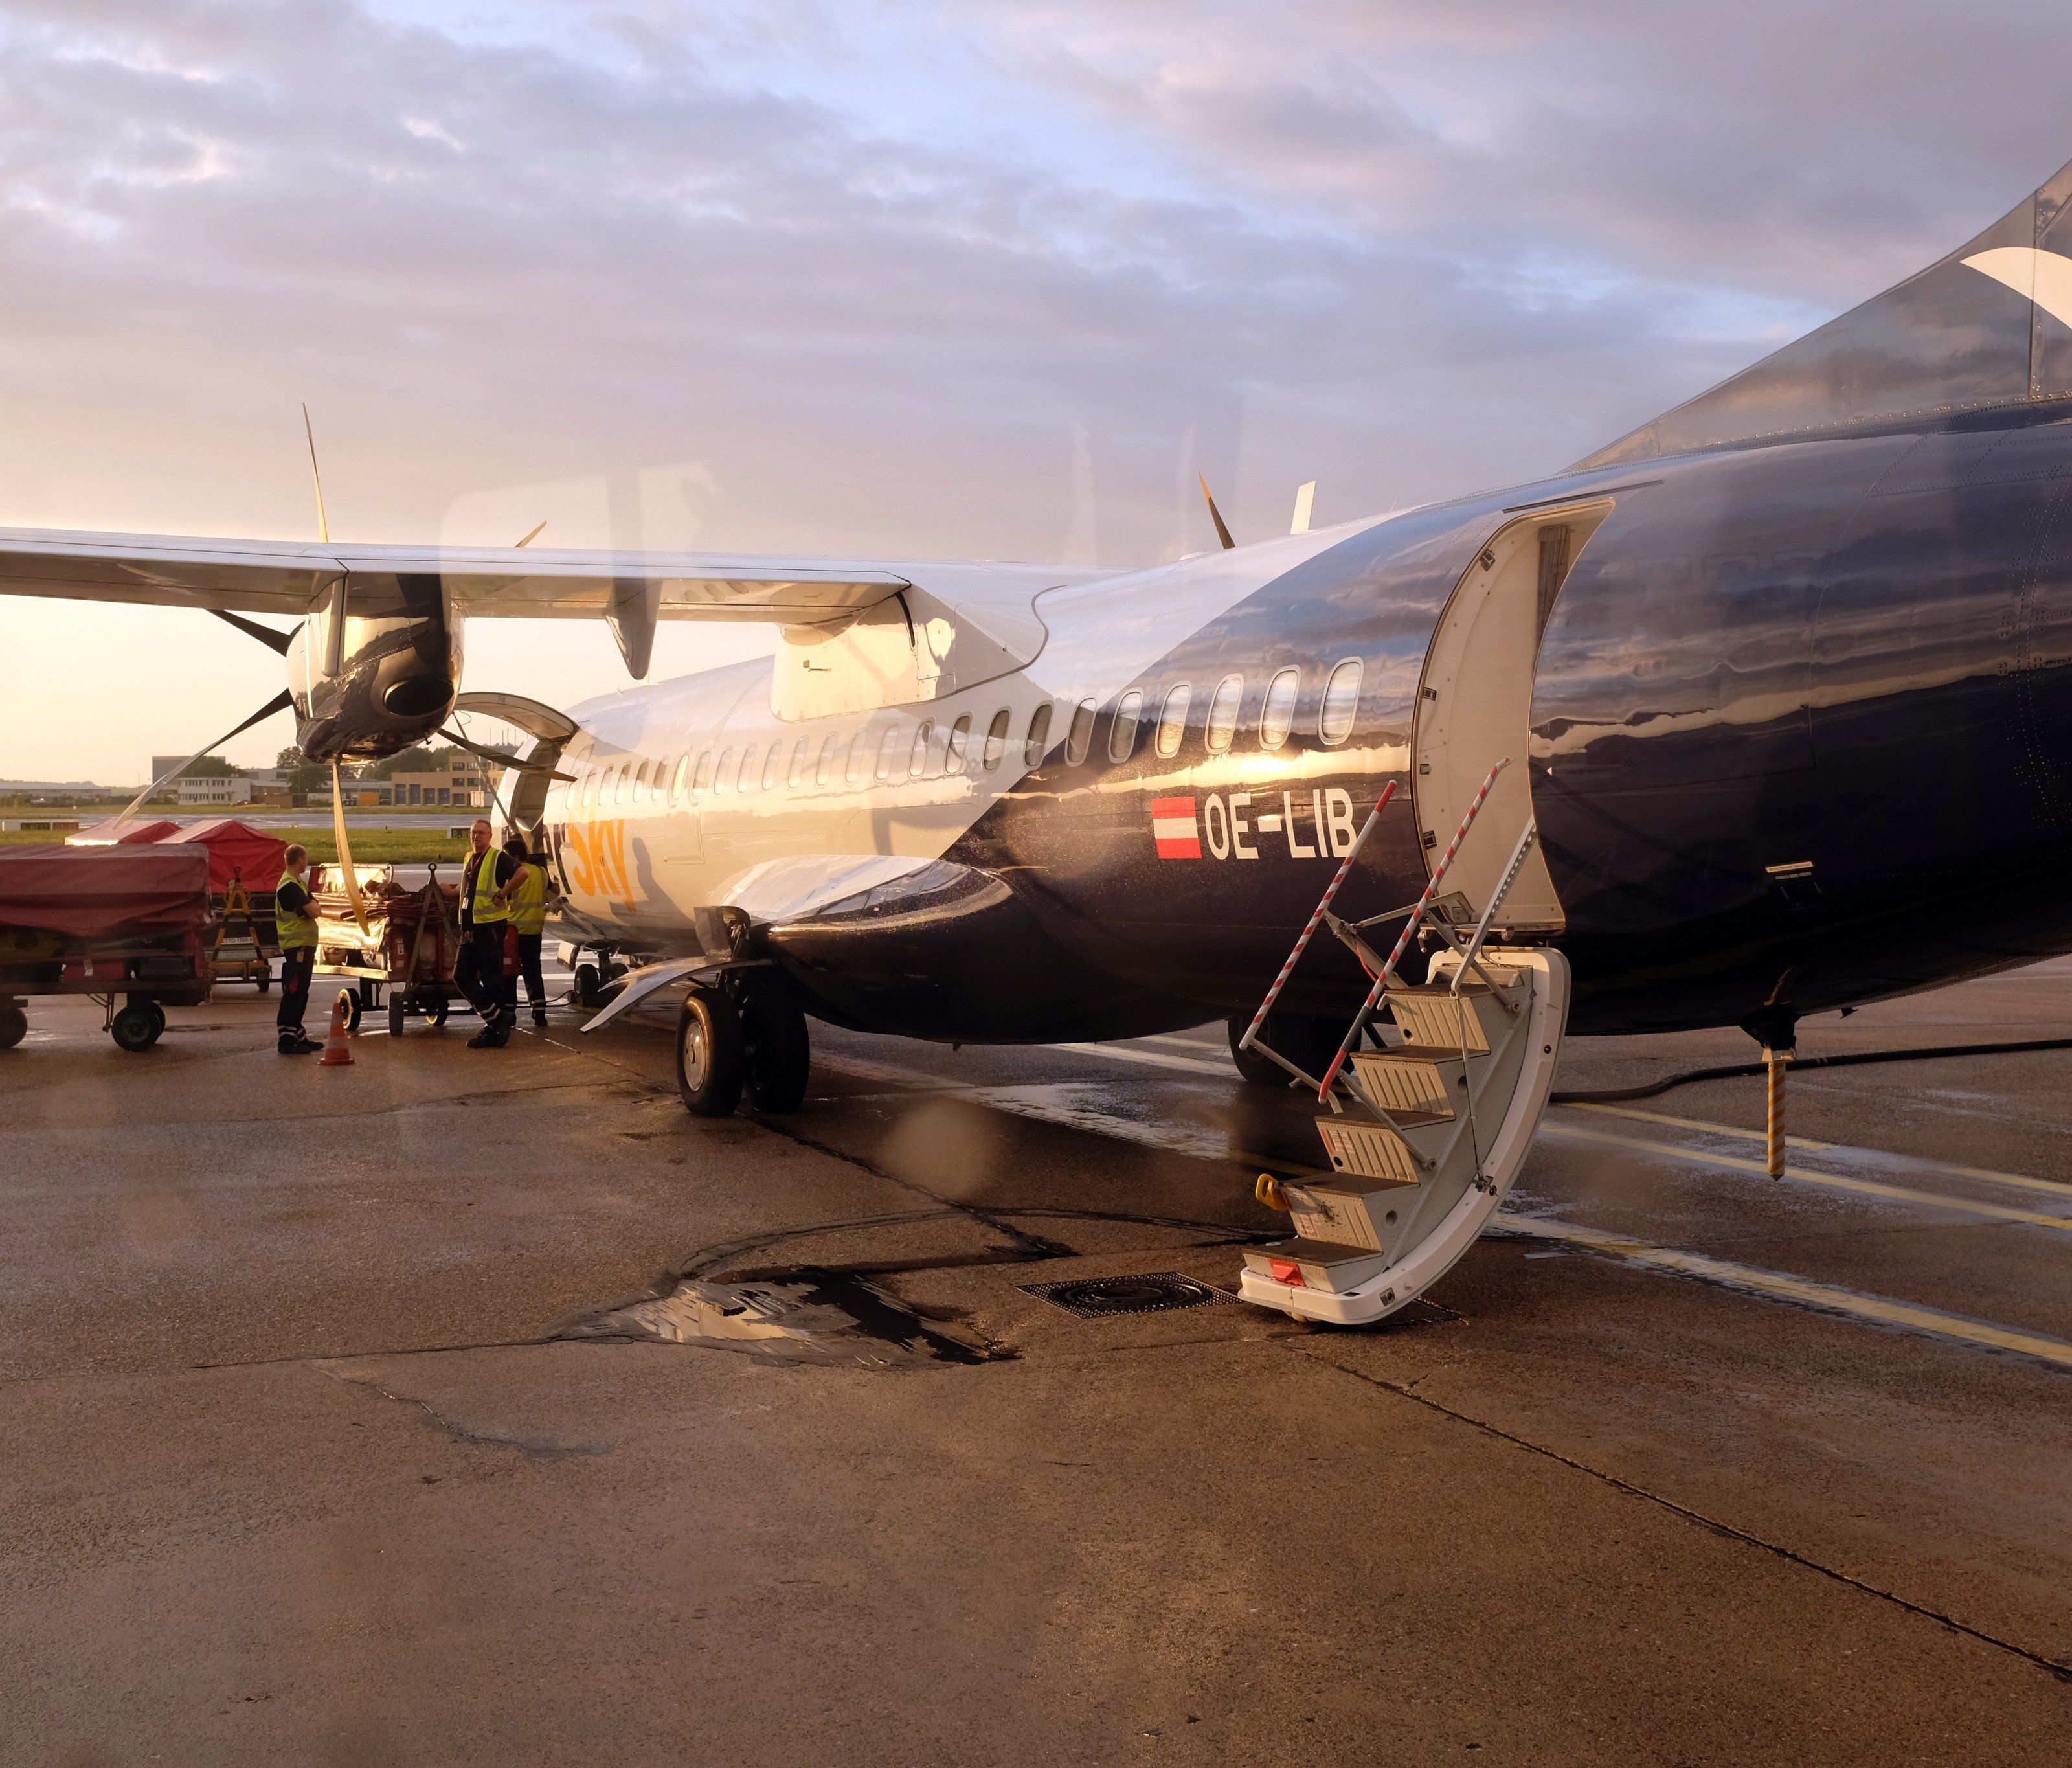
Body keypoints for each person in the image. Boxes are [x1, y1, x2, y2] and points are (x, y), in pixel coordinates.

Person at [454, 818, 517, 1048]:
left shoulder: (497, 857)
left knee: (491, 980)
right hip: (470, 928)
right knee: (461, 977)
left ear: (490, 836)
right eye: (473, 833)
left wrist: (502, 895)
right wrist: (451, 892)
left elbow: (522, 875)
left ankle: (495, 1029)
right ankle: (498, 1020)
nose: (476, 837)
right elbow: (469, 888)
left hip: (489, 928)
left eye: (481, 833)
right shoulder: (470, 859)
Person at [496, 832, 550, 1028]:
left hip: (514, 931)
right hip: (535, 930)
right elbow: (550, 893)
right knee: (534, 971)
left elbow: (502, 898)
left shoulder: (513, 874)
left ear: (516, 857)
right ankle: (540, 1012)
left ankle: (510, 1014)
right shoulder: (542, 873)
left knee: (509, 972)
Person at [273, 844, 322, 1054]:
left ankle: (298, 1034)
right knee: (294, 990)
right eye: (306, 859)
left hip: (304, 946)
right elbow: (314, 911)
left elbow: (315, 908)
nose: (307, 862)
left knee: (301, 991)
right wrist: (311, 908)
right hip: (296, 946)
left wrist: (311, 908)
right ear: (300, 860)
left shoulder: (297, 884)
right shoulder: (289, 886)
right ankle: (286, 1039)